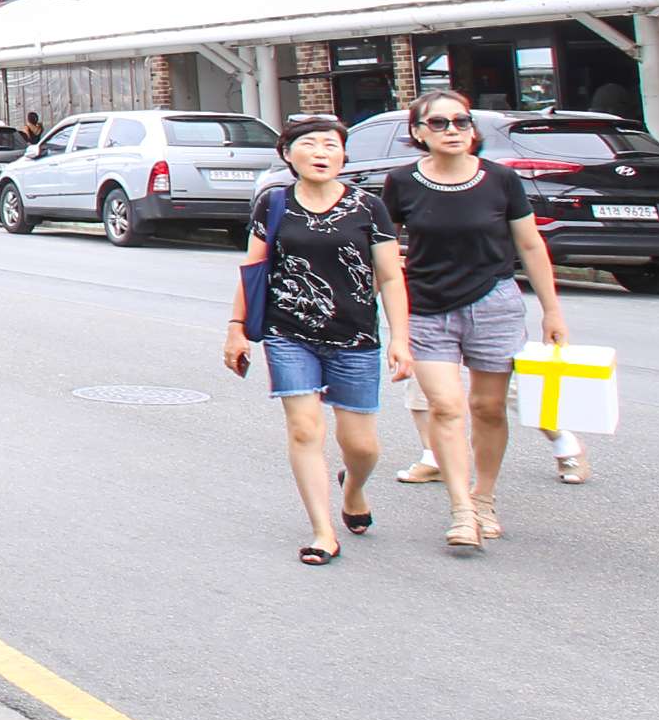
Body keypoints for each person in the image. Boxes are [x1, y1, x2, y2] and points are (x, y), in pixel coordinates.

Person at [381, 93, 572, 551]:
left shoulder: (501, 180)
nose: (452, 129)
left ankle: (484, 498)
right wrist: (396, 330)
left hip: (494, 303)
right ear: (419, 132)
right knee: (446, 407)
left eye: (461, 121)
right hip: (427, 307)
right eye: (439, 122)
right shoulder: (402, 183)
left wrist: (552, 309)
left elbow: (529, 247)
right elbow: (385, 256)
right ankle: (461, 508)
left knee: (488, 408)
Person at [219, 116, 407, 565]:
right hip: (289, 334)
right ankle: (323, 531)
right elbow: (254, 268)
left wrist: (402, 338)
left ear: (344, 155)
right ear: (288, 154)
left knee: (361, 445)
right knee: (305, 429)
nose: (322, 152)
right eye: (310, 144)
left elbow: (390, 276)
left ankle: (354, 488)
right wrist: (236, 329)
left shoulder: (367, 207)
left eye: (331, 145)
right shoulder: (274, 203)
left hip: (355, 335)